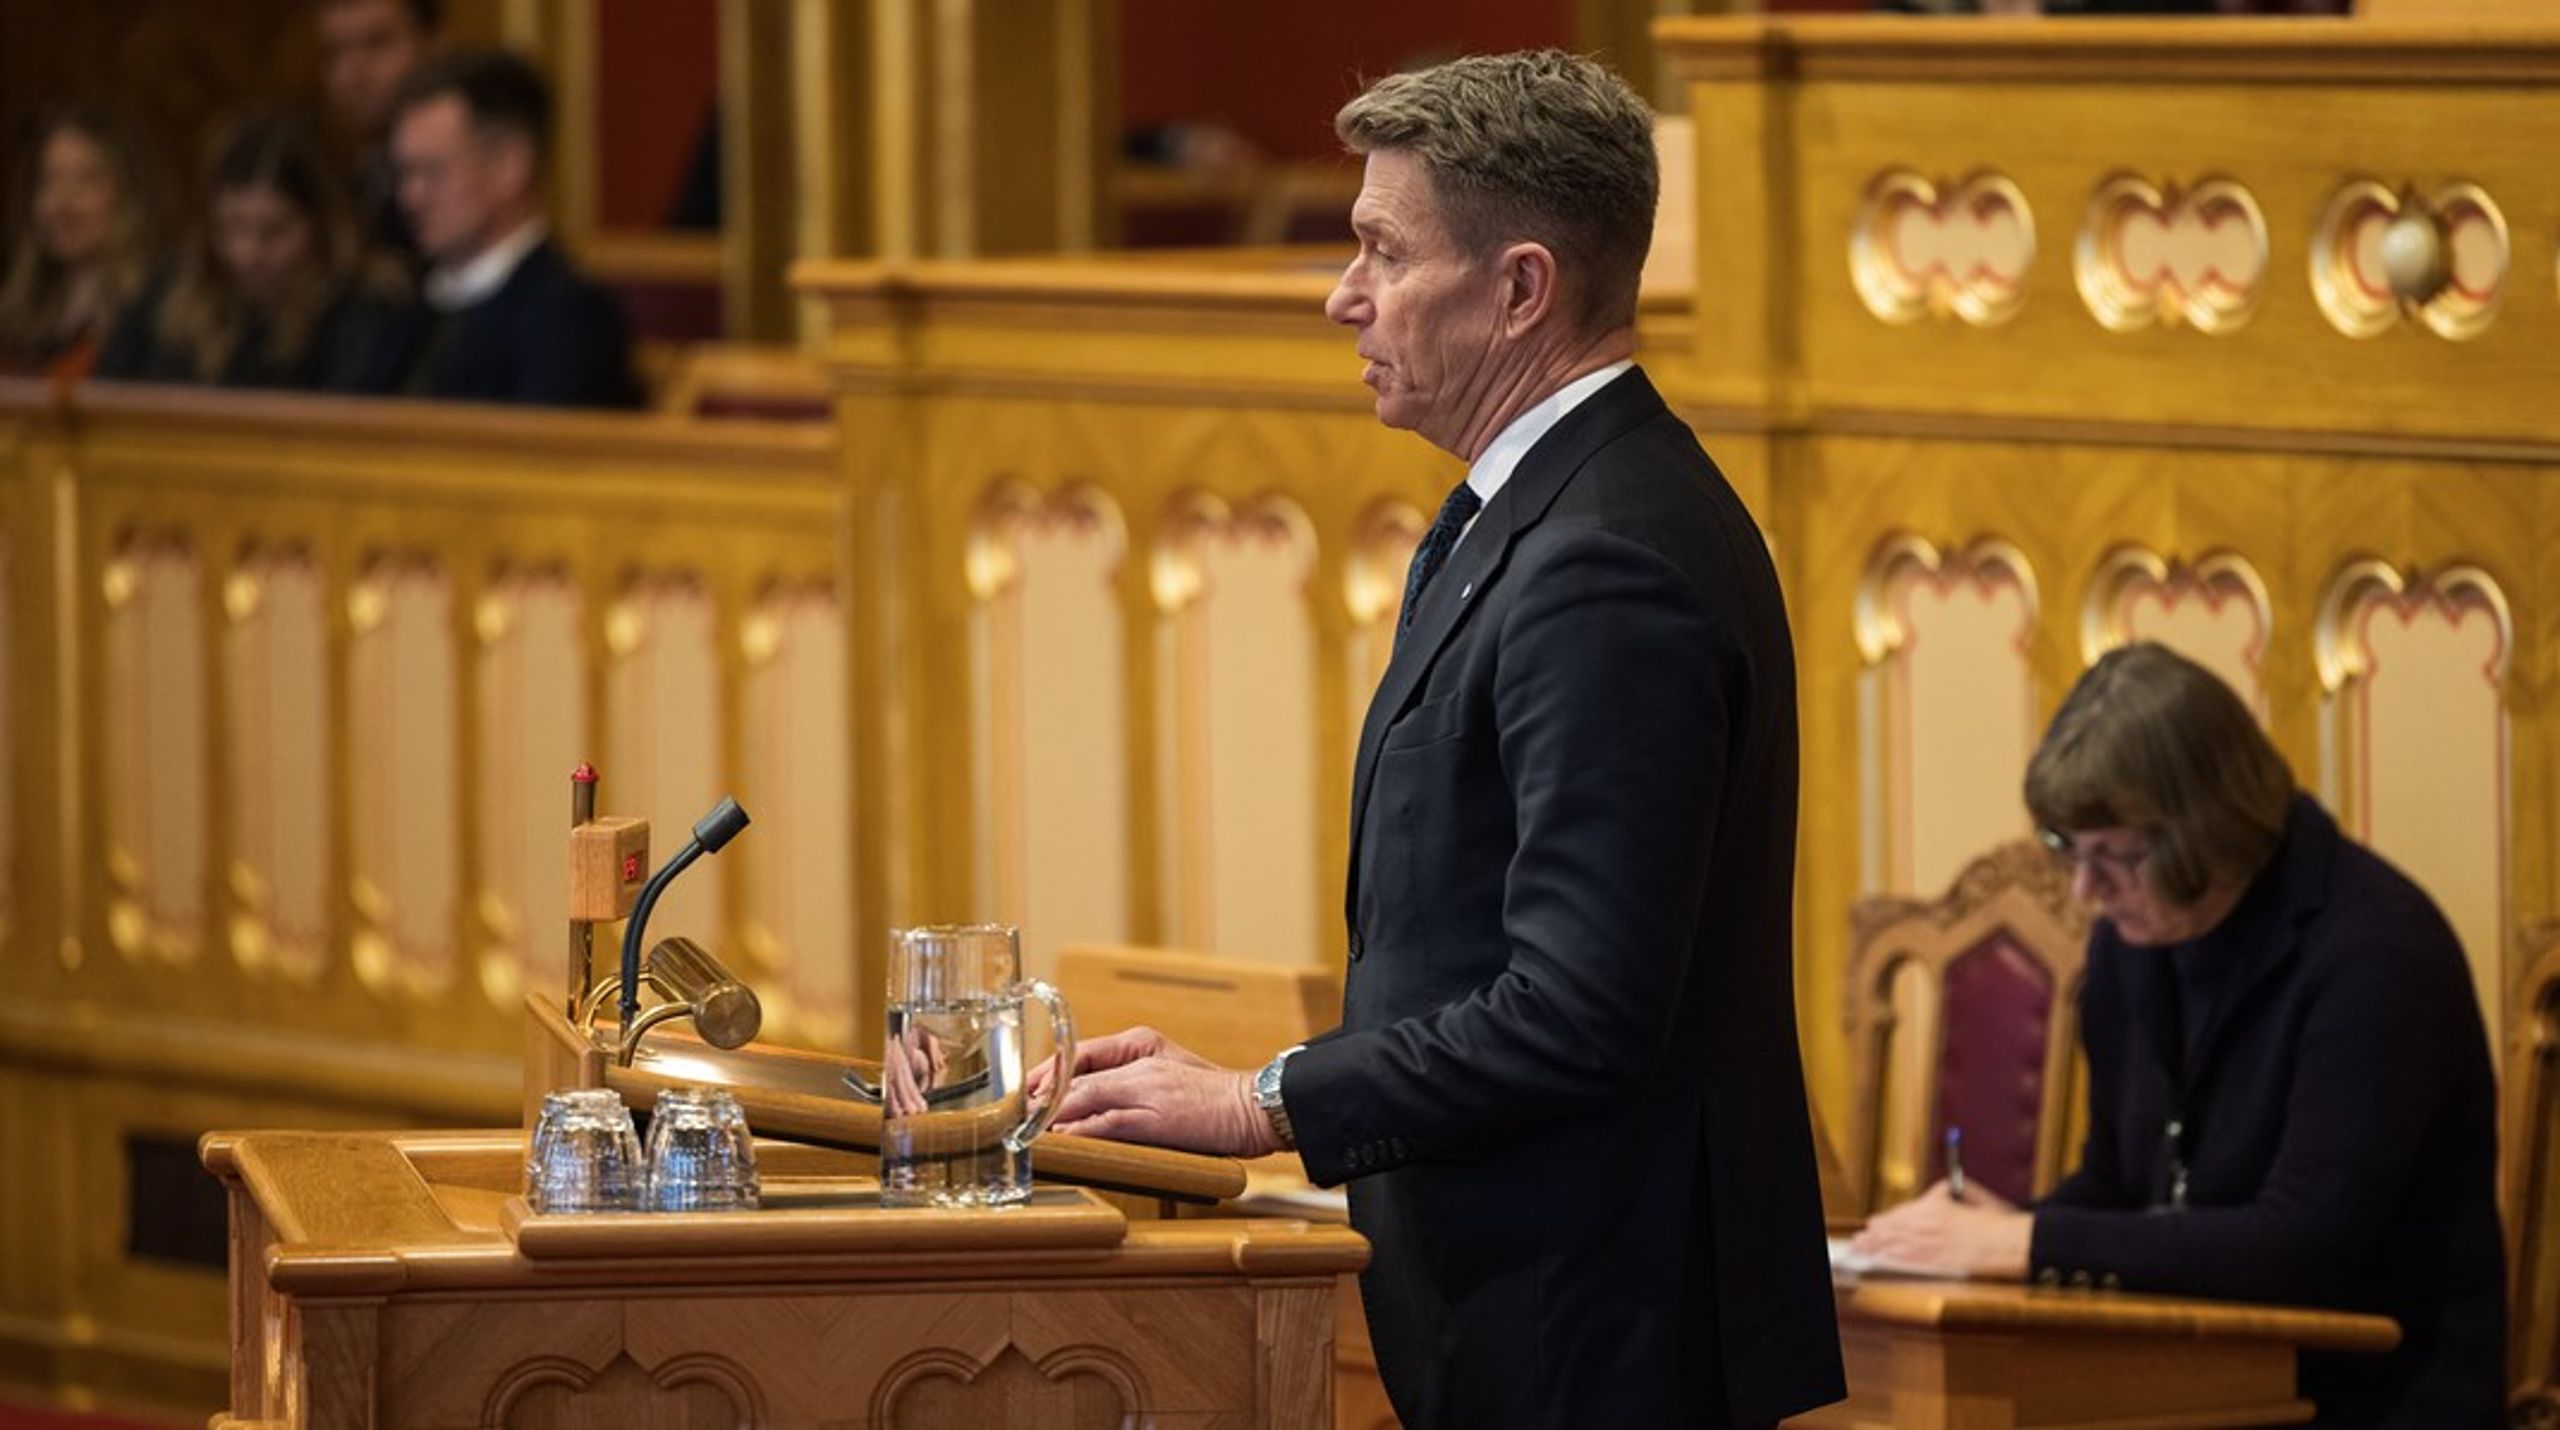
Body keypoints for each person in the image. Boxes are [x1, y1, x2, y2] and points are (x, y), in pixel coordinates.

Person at [1046, 50, 1844, 1429]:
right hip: (1526, 1303)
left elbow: (1580, 1009)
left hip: (1597, 1330)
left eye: (1381, 250)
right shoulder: (1537, 512)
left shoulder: (1611, 558)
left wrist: (1260, 1101)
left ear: (1522, 287)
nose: (1341, 294)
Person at [1852, 642, 2504, 1427]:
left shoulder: (2377, 954)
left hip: (2370, 1402)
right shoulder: (2134, 943)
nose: (2088, 891)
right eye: (2068, 852)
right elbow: (2121, 1185)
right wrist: (1997, 1233)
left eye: (2115, 856)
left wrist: (2025, 1243)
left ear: (2208, 827)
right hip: (2192, 1381)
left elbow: (2301, 1249)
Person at [386, 48, 639, 408]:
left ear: (510, 166)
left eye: (432, 172)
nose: (410, 197)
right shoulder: (400, 305)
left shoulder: (566, 319)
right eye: (404, 173)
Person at [98, 114, 416, 392]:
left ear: (322, 226)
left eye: (273, 231)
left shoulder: (363, 309)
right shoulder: (169, 295)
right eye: (231, 228)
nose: (247, 254)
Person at [0, 111, 161, 381]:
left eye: (87, 179)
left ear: (128, 194)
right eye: (50, 180)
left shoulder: (154, 319)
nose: (62, 201)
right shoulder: (14, 311)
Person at [316, 0, 441, 262]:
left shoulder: (457, 180)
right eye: (335, 51)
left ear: (431, 45)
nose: (353, 73)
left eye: (377, 43)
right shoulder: (337, 175)